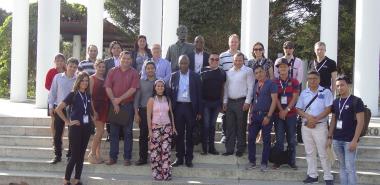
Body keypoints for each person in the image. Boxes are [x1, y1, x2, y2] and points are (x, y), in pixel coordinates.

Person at [55, 72, 93, 185]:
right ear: (78, 82)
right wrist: (68, 122)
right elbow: (58, 109)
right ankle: (66, 180)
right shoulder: (73, 94)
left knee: (81, 155)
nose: (85, 83)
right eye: (83, 81)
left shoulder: (88, 95)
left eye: (87, 81)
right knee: (75, 155)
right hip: (75, 129)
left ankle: (77, 180)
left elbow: (88, 111)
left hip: (86, 128)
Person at [296, 71, 334, 185]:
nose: (312, 80)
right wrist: (309, 118)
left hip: (320, 126)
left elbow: (328, 108)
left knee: (323, 152)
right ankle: (313, 175)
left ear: (319, 79)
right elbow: (298, 109)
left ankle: (328, 177)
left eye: (314, 78)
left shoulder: (326, 92)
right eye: (310, 78)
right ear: (307, 80)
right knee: (309, 152)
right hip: (306, 126)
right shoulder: (304, 93)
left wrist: (315, 119)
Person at [327, 76, 365, 185]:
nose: (340, 88)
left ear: (348, 85)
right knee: (342, 167)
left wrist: (355, 140)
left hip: (350, 140)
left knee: (350, 168)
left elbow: (360, 122)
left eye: (342, 85)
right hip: (337, 140)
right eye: (337, 86)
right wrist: (330, 137)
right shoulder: (335, 102)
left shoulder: (356, 101)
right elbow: (333, 120)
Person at [105, 51, 140, 166]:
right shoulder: (112, 71)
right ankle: (112, 157)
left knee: (128, 133)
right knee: (113, 133)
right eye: (124, 58)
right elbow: (108, 87)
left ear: (131, 60)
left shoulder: (134, 73)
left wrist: (119, 99)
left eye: (128, 59)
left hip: (127, 106)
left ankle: (127, 158)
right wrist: (114, 102)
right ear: (120, 58)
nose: (126, 60)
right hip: (114, 105)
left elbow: (133, 89)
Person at [169, 55, 202, 168]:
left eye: (185, 63)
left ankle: (189, 159)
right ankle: (179, 158)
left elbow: (199, 95)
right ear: (178, 64)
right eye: (181, 63)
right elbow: (170, 94)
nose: (183, 65)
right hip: (178, 108)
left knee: (190, 135)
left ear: (189, 64)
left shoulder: (195, 76)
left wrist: (199, 111)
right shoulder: (173, 76)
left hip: (190, 108)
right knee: (178, 134)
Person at [222, 52, 254, 157]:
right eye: (236, 60)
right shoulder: (229, 72)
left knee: (241, 126)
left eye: (240, 60)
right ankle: (229, 149)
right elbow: (226, 88)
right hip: (230, 102)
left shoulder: (248, 71)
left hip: (241, 102)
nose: (238, 62)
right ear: (233, 61)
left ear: (243, 61)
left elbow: (250, 87)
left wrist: (248, 102)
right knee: (229, 126)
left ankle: (240, 149)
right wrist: (225, 101)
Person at [47, 57, 78, 164]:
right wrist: (51, 106)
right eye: (71, 66)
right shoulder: (58, 77)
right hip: (59, 109)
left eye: (75, 67)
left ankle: (70, 155)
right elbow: (52, 92)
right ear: (66, 66)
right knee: (57, 133)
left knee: (72, 134)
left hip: (72, 110)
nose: (72, 69)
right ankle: (57, 155)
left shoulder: (78, 79)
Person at [219, 34, 249, 143]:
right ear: (228, 43)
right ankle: (224, 134)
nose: (234, 44)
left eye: (236, 42)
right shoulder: (222, 56)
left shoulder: (244, 56)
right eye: (232, 42)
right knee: (225, 113)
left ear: (238, 43)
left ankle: (236, 137)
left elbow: (246, 72)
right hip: (225, 88)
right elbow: (220, 72)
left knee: (238, 117)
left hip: (239, 91)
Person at [246, 66, 277, 171]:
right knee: (250, 138)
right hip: (255, 116)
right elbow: (253, 101)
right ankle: (252, 162)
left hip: (266, 115)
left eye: (261, 72)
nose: (259, 74)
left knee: (266, 140)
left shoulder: (271, 84)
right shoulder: (255, 85)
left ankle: (264, 163)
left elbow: (274, 101)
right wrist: (250, 114)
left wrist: (269, 116)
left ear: (265, 72)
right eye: (256, 73)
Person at [272, 58, 300, 170]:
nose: (283, 68)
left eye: (285, 66)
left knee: (291, 140)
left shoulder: (294, 81)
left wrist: (286, 110)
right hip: (278, 115)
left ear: (288, 68)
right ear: (278, 69)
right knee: (279, 140)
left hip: (291, 115)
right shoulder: (274, 82)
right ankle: (277, 162)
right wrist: (281, 110)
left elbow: (295, 97)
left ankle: (291, 161)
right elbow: (275, 98)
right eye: (280, 67)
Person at [147, 79, 177, 181]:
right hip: (155, 127)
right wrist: (150, 130)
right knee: (155, 151)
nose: (160, 88)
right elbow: (148, 115)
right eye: (158, 86)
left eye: (162, 86)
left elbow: (171, 113)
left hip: (167, 127)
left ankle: (166, 174)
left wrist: (173, 127)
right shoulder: (151, 100)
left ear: (164, 88)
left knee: (166, 150)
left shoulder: (167, 99)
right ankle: (157, 174)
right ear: (155, 88)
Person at [200, 53, 226, 155]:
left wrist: (222, 102)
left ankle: (212, 148)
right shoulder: (203, 70)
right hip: (205, 103)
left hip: (216, 103)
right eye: (212, 59)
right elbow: (199, 87)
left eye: (216, 59)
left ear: (219, 61)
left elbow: (223, 88)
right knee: (205, 125)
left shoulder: (222, 73)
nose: (214, 61)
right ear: (208, 60)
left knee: (212, 126)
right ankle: (204, 148)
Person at [134, 61, 157, 165]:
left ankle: (156, 158)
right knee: (143, 135)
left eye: (152, 68)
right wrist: (136, 113)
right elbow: (137, 99)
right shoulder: (141, 82)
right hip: (143, 111)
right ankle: (142, 158)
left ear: (155, 69)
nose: (150, 70)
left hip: (157, 112)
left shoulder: (159, 81)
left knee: (156, 136)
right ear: (145, 69)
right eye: (148, 68)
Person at [88, 59, 109, 164]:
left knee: (101, 132)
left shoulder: (105, 79)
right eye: (99, 67)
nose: (101, 69)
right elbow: (90, 96)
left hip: (104, 106)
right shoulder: (92, 79)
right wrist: (93, 110)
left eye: (103, 67)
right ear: (95, 67)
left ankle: (97, 155)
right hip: (95, 107)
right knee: (100, 131)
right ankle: (91, 154)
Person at [45, 53, 66, 139]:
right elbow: (47, 85)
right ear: (55, 61)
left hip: (64, 100)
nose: (59, 62)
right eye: (57, 61)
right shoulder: (51, 71)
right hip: (53, 100)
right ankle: (55, 139)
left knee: (63, 121)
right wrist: (56, 90)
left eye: (61, 61)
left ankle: (60, 139)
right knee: (54, 120)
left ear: (64, 62)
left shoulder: (66, 71)